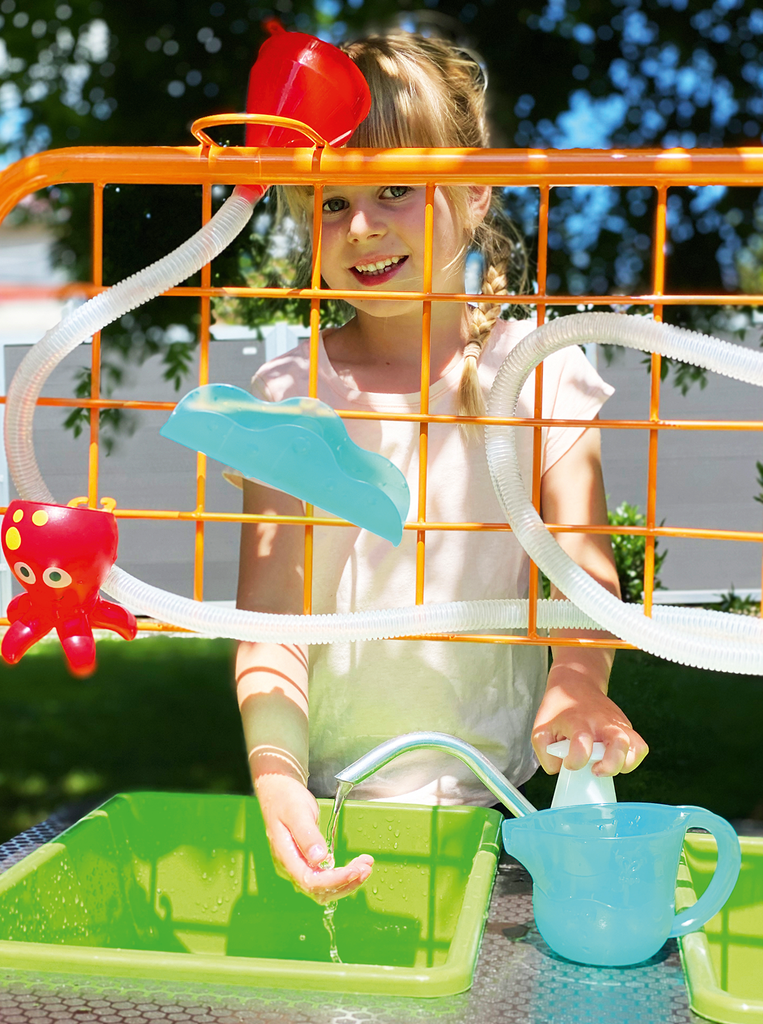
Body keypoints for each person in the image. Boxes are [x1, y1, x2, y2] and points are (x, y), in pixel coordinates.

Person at [231, 32, 648, 903]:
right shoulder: (288, 393)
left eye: (395, 190)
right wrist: (275, 781)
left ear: (474, 189)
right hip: (332, 798)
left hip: (506, 811)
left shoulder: (539, 375)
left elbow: (583, 577)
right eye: (332, 203)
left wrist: (576, 682)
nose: (363, 226)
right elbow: (270, 622)